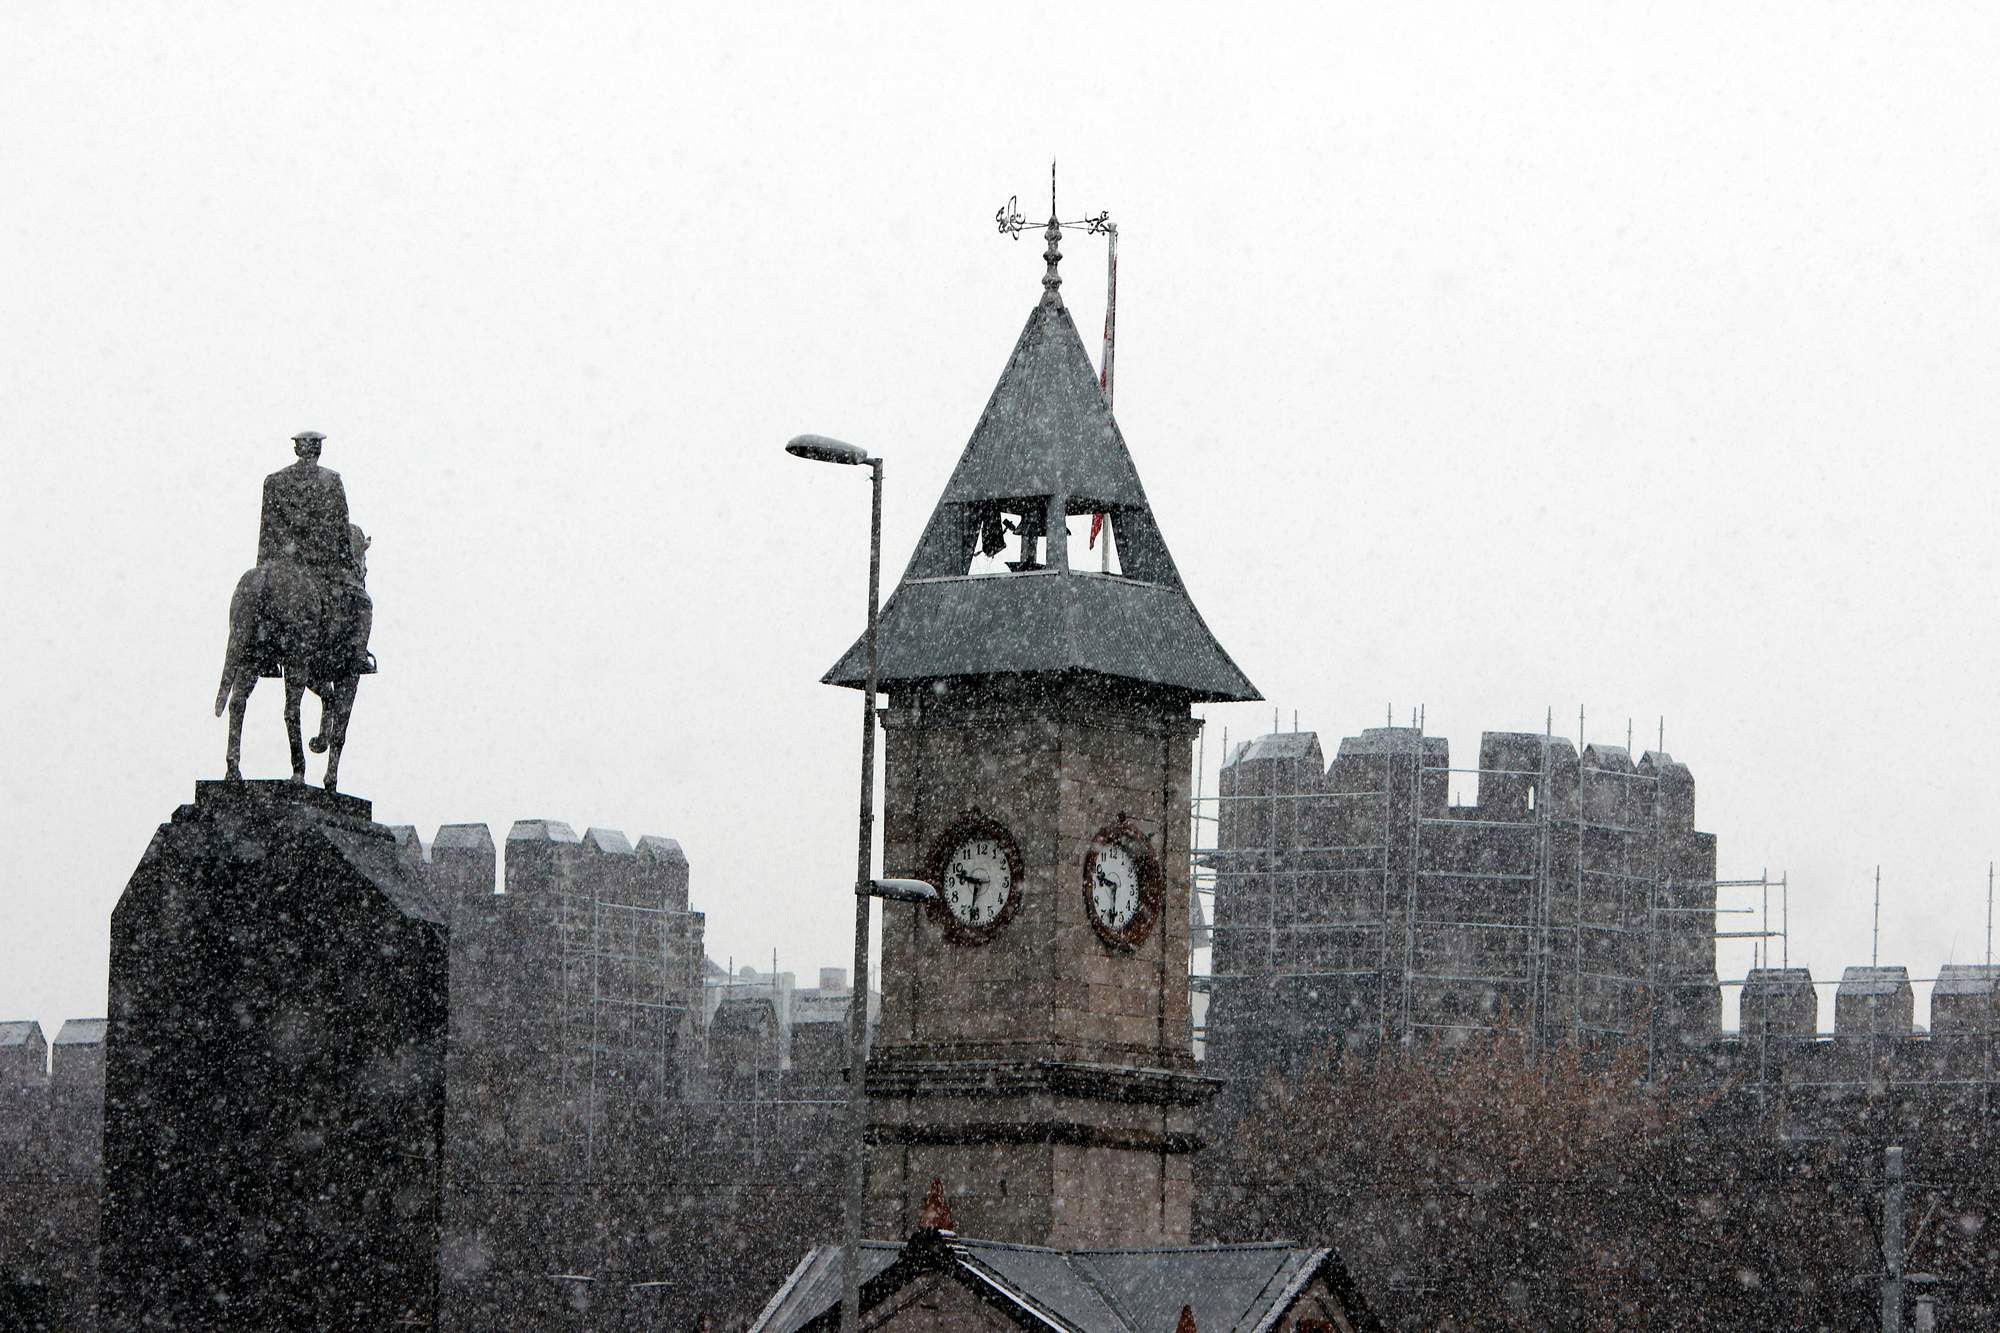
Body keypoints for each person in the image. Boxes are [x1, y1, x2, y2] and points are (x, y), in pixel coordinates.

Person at [258, 430, 357, 578]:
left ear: (296, 449)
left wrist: (262, 569)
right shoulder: (332, 481)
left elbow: (266, 531)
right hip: (321, 566)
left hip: (283, 563)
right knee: (357, 600)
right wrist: (348, 562)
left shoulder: (274, 481)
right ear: (319, 451)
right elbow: (342, 526)